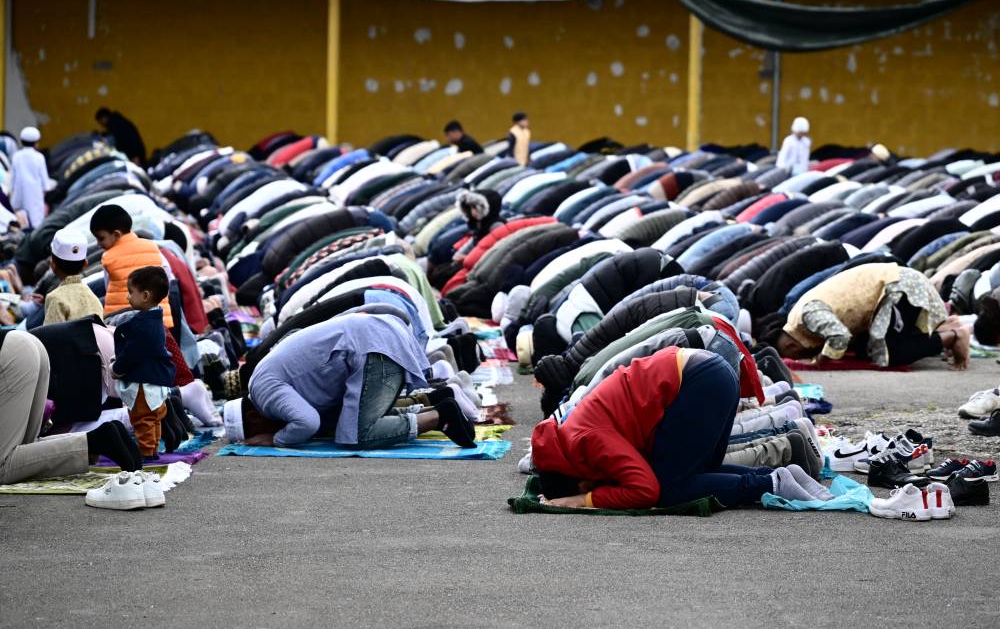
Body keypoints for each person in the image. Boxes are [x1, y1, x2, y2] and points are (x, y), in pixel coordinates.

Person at [531, 346, 830, 510]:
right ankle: (782, 476)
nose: (597, 487)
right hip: (707, 372)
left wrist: (584, 501)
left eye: (589, 487)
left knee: (670, 490)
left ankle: (770, 484)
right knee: (695, 476)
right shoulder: (571, 435)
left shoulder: (585, 441)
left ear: (577, 478)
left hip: (698, 380)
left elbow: (645, 491)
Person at [235, 313, 476, 449]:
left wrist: (275, 439)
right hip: (378, 338)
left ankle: (440, 417)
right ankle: (431, 402)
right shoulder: (264, 374)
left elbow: (307, 423)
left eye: (254, 431)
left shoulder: (263, 391)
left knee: (359, 434)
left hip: (373, 348)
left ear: (251, 417)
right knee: (345, 421)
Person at [0, 329, 142, 486]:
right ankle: (103, 436)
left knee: (3, 465)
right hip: (27, 343)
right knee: (25, 450)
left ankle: (95, 442)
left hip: (15, 353)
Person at [770, 262, 969, 369]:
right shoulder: (799, 317)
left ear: (791, 346)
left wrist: (820, 360)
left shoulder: (807, 316)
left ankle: (952, 335)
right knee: (867, 351)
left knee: (891, 355)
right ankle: (945, 328)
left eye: (795, 357)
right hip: (888, 291)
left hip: (898, 286)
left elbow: (840, 337)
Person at [111, 266, 176, 460]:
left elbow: (132, 354)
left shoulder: (142, 325)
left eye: (131, 293)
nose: (128, 298)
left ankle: (146, 451)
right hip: (155, 378)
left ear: (146, 295)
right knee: (153, 416)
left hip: (143, 381)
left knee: (143, 417)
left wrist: (117, 368)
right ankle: (153, 446)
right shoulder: (155, 319)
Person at [91, 204, 173, 328]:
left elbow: (108, 287)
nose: (98, 244)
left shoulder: (108, 257)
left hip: (123, 321)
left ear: (116, 234)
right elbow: (167, 273)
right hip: (159, 319)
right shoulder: (152, 246)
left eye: (101, 238)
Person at [43, 228, 103, 325]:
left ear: (53, 265)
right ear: (85, 264)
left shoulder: (55, 298)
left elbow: (50, 336)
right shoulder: (92, 297)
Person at [9, 126, 48, 229]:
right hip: (35, 198)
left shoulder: (16, 156)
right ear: (36, 143)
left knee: (21, 226)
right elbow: (45, 183)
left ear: (21, 141)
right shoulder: (39, 157)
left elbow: (12, 180)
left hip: (19, 198)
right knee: (36, 227)